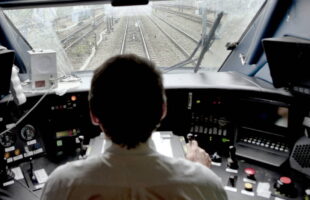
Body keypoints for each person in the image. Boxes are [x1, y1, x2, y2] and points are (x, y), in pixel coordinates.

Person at [40, 54, 227, 200]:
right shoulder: (205, 183)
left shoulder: (61, 184)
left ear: (94, 115)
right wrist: (199, 172)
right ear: (163, 110)